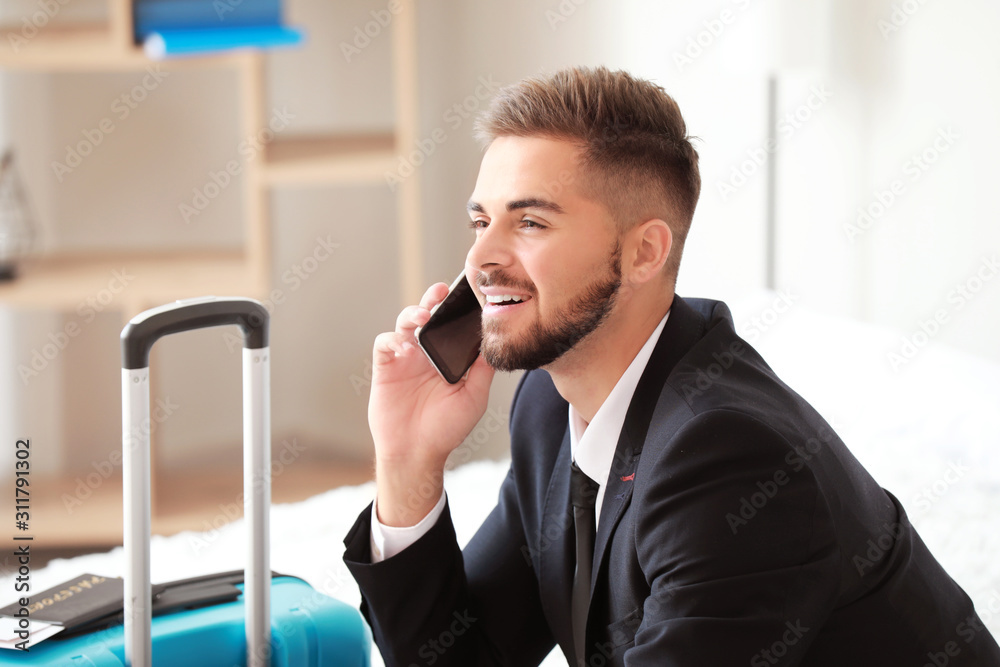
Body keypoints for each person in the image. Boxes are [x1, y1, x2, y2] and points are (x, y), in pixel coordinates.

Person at [343, 66, 1000, 666]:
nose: (481, 259)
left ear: (644, 252)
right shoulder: (547, 409)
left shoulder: (731, 458)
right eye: (480, 221)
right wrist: (407, 462)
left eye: (531, 223)